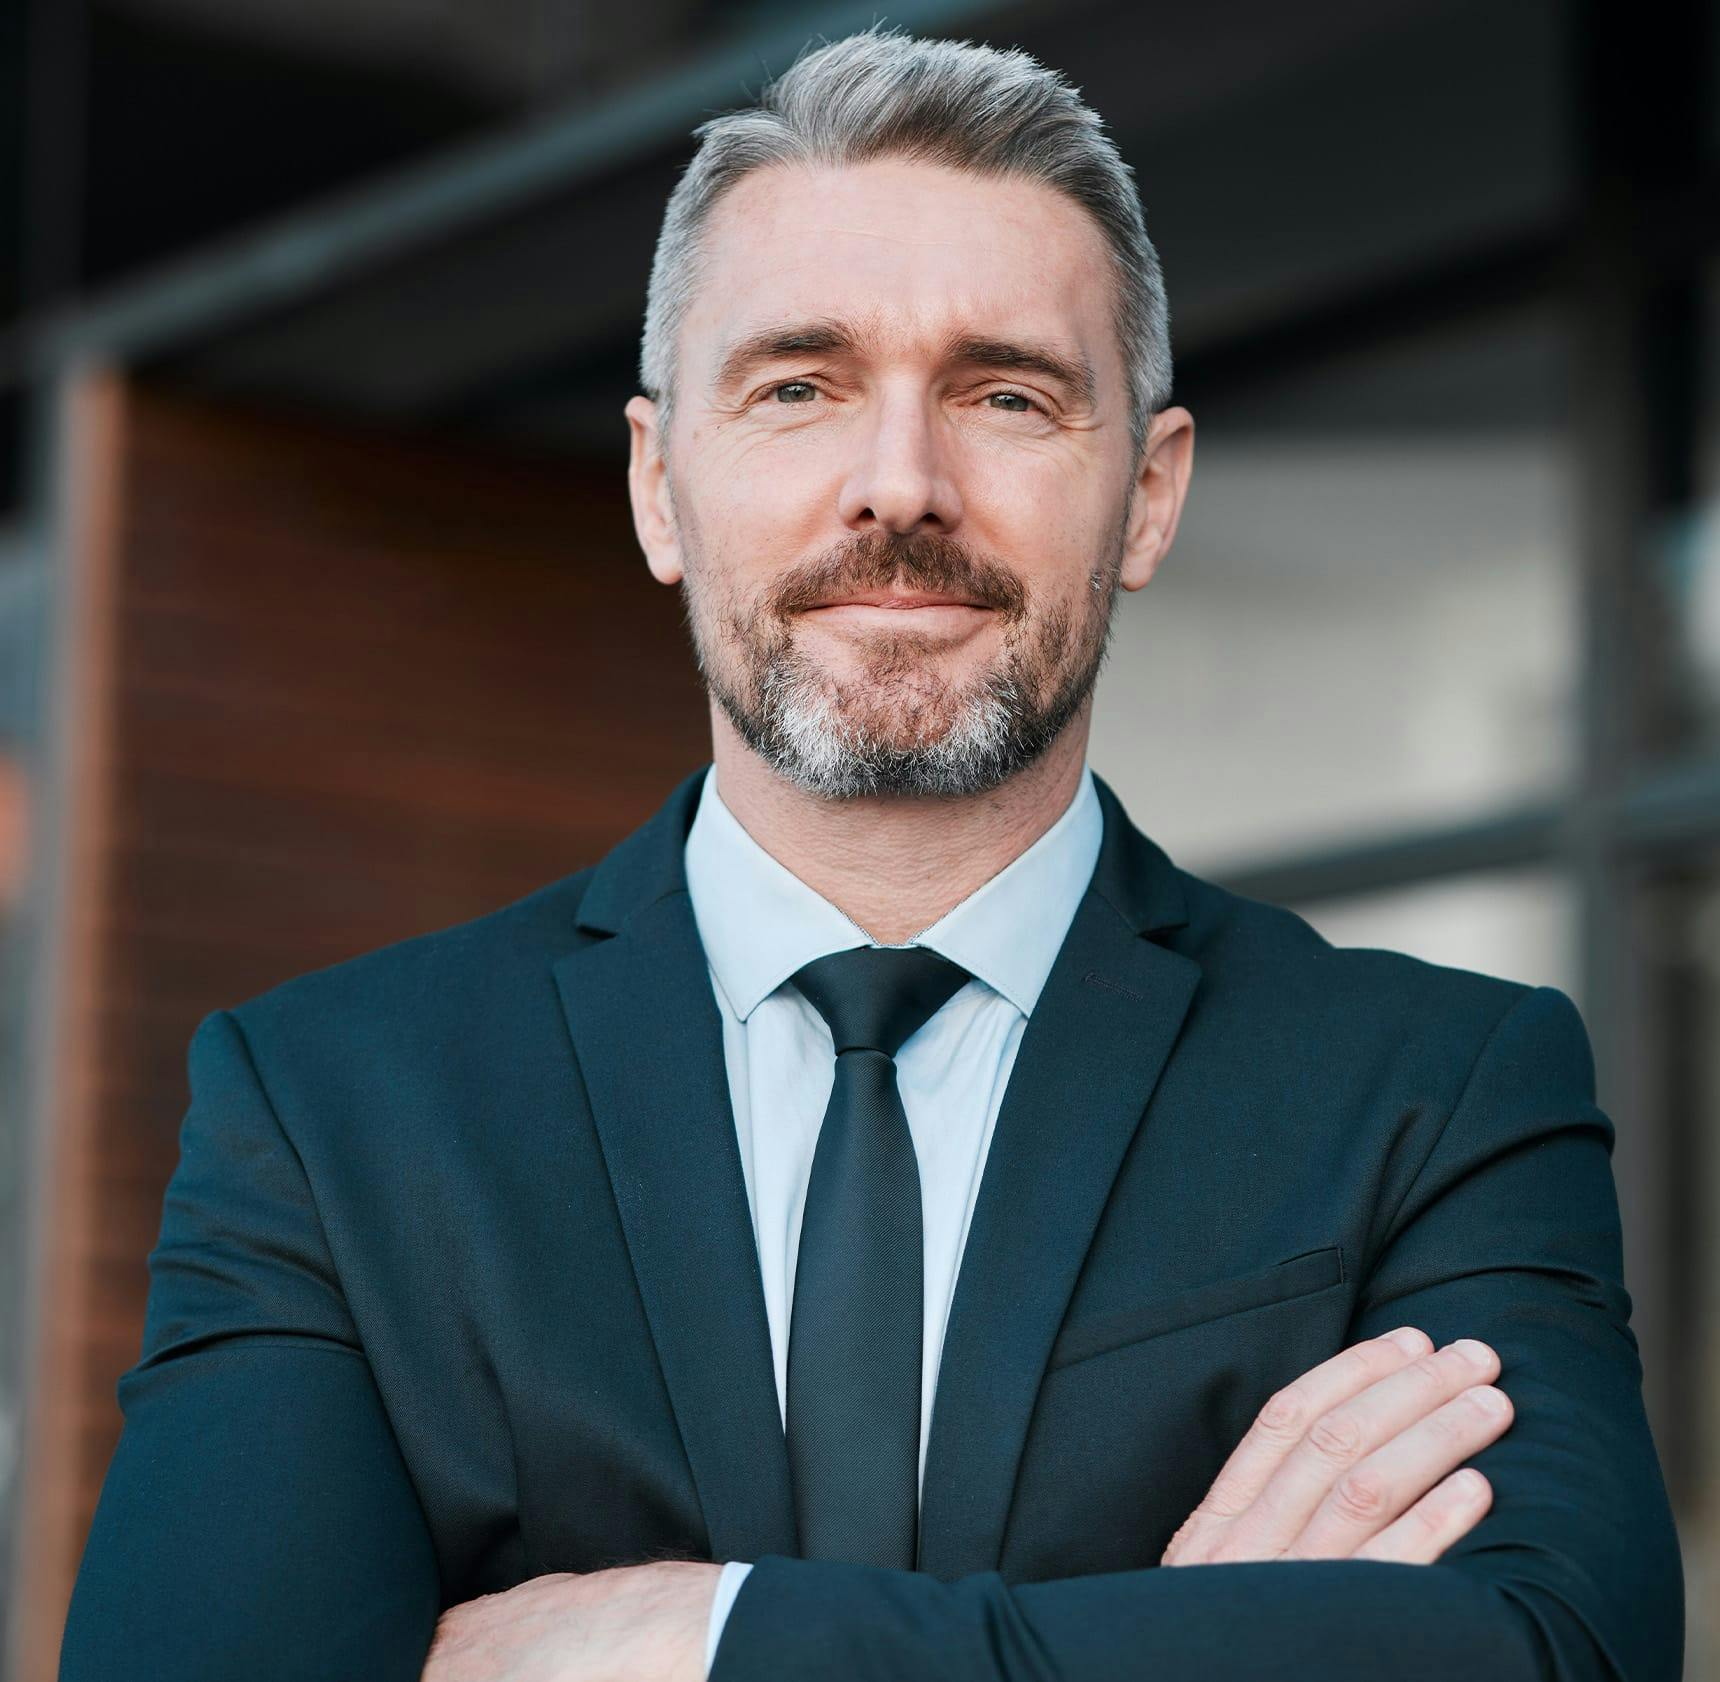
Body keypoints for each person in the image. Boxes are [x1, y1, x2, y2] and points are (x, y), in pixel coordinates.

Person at [59, 25, 1682, 1682]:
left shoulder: (1441, 1093)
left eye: (1006, 393)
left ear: (1147, 493)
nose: (900, 485)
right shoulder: (334, 1113)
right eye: (797, 388)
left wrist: (705, 1636)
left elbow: (1554, 1654)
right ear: (656, 485)